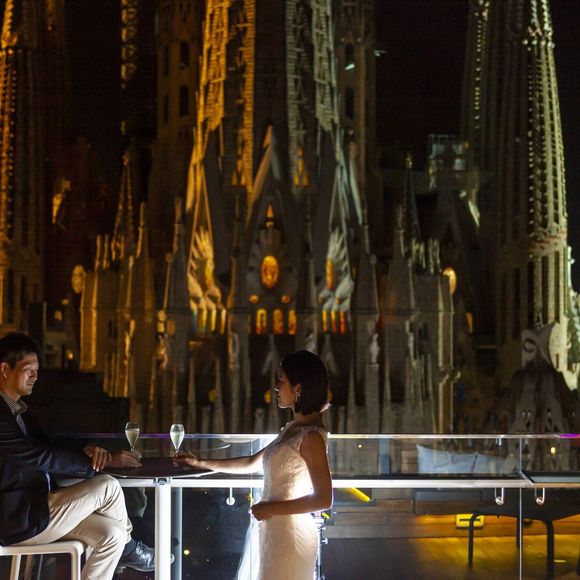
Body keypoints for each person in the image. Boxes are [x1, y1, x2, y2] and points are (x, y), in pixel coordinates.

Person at [0, 332, 157, 579]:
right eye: (29, 370)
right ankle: (131, 551)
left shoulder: (19, 412)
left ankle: (127, 547)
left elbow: (50, 444)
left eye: (37, 370)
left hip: (36, 510)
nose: (35, 377)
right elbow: (37, 455)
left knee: (114, 535)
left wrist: (86, 449)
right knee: (107, 486)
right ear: (5, 369)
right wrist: (95, 462)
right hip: (17, 520)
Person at [175, 350, 333, 580]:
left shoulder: (312, 438)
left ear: (298, 388)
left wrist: (270, 508)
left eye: (281, 380)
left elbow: (323, 499)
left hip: (290, 535)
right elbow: (251, 462)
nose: (276, 387)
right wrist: (200, 463)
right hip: (273, 531)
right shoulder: (292, 429)